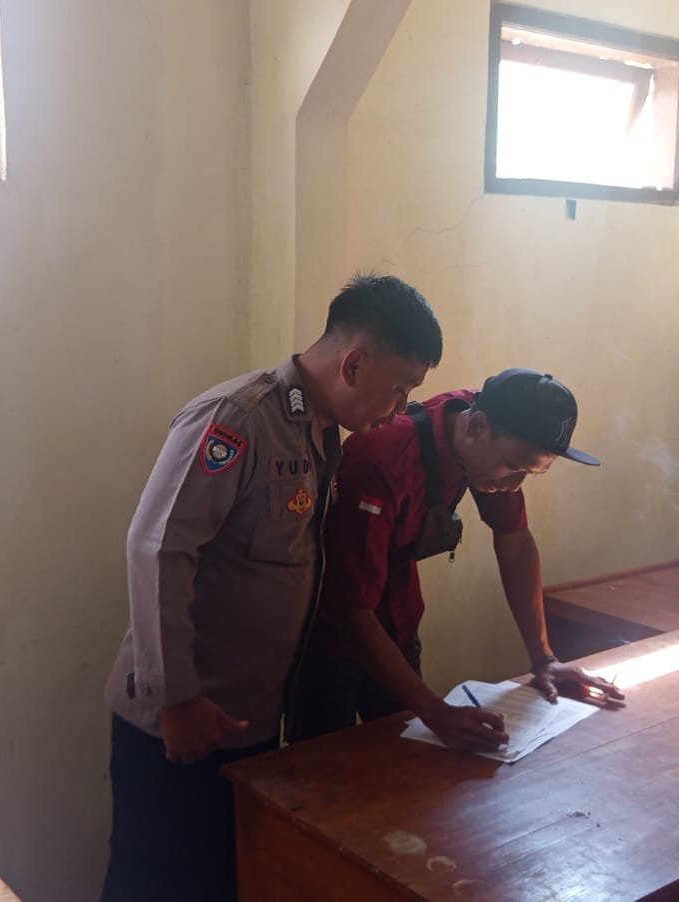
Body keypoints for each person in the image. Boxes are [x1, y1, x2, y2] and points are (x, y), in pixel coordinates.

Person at [100, 274, 443, 901]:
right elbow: (157, 547)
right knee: (152, 885)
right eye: (400, 389)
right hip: (179, 723)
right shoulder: (240, 418)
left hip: (249, 722)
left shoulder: (321, 434)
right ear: (354, 363)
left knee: (225, 883)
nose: (400, 409)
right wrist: (176, 699)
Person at [288, 369, 622, 752]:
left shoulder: (486, 433)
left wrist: (544, 659)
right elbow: (349, 607)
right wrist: (436, 712)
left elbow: (513, 538)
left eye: (529, 473)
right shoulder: (380, 457)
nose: (514, 485)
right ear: (476, 426)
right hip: (328, 639)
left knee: (409, 764)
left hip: (398, 624)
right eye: (513, 466)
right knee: (324, 765)